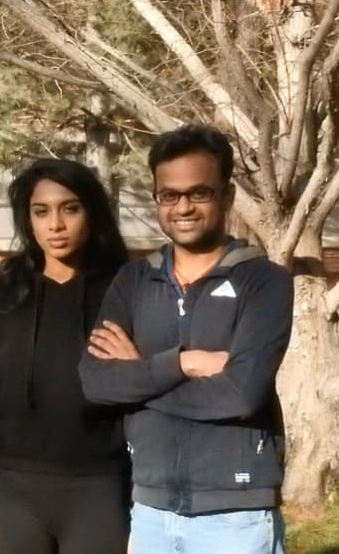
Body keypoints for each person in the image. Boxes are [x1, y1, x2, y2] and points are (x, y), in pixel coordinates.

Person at [78, 124, 294, 554]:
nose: (184, 208)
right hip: (151, 511)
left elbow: (240, 396)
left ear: (227, 196)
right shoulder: (134, 279)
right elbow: (96, 383)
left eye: (200, 193)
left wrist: (139, 376)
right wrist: (183, 363)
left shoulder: (265, 282)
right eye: (170, 195)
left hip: (236, 516)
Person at [0, 158, 132, 554]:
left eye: (70, 209)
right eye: (41, 212)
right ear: (28, 219)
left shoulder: (127, 290)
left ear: (92, 212)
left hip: (100, 487)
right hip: (13, 491)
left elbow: (145, 396)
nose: (55, 225)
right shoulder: (5, 293)